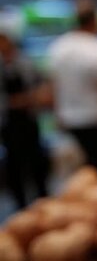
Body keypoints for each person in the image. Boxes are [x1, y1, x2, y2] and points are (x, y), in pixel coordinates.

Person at [48, 4, 97, 172]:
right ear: (95, 21)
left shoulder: (58, 46)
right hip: (95, 118)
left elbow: (53, 85)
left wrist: (57, 113)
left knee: (82, 167)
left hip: (69, 119)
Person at [0, 34, 50, 209]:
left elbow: (40, 83)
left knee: (37, 161)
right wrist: (19, 101)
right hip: (8, 125)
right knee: (15, 166)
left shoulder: (25, 62)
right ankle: (20, 206)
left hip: (29, 120)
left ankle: (43, 200)